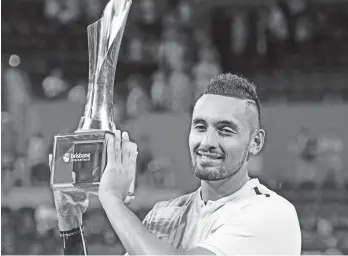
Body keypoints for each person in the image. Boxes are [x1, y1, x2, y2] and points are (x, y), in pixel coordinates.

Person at [51, 73, 301, 255]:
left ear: (255, 142)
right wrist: (69, 221)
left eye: (225, 130)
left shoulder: (271, 214)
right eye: (200, 126)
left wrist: (111, 198)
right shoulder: (163, 214)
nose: (208, 141)